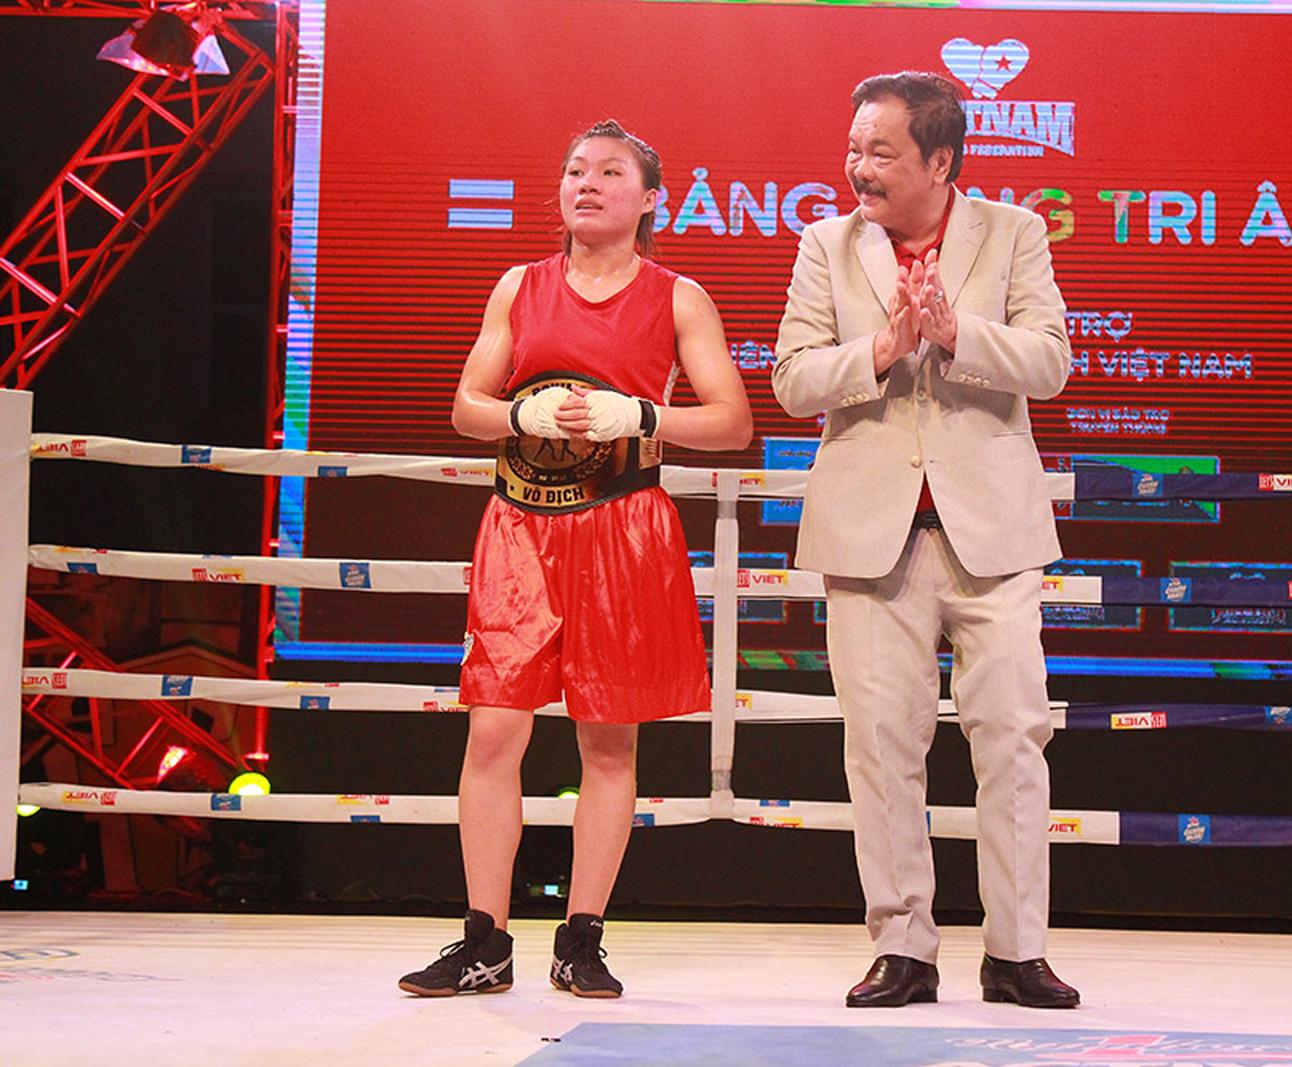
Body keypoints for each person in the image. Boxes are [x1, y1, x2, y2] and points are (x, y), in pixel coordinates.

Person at [399, 119, 752, 999]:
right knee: (493, 728)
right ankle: (483, 940)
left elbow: (733, 422)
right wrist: (518, 414)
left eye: (609, 172)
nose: (586, 183)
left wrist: (644, 416)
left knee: (608, 740)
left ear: (651, 198)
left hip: (623, 524)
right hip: (519, 525)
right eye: (573, 170)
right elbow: (466, 405)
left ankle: (582, 937)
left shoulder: (679, 298)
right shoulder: (519, 286)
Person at [773, 72, 1078, 1009]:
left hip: (992, 535)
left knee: (1013, 740)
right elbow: (791, 378)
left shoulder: (1014, 232)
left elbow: (1052, 362)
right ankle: (902, 947)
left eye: (880, 151)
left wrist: (956, 335)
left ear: (940, 161)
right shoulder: (826, 245)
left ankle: (1016, 951)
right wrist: (881, 349)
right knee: (881, 747)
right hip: (871, 538)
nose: (857, 167)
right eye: (853, 148)